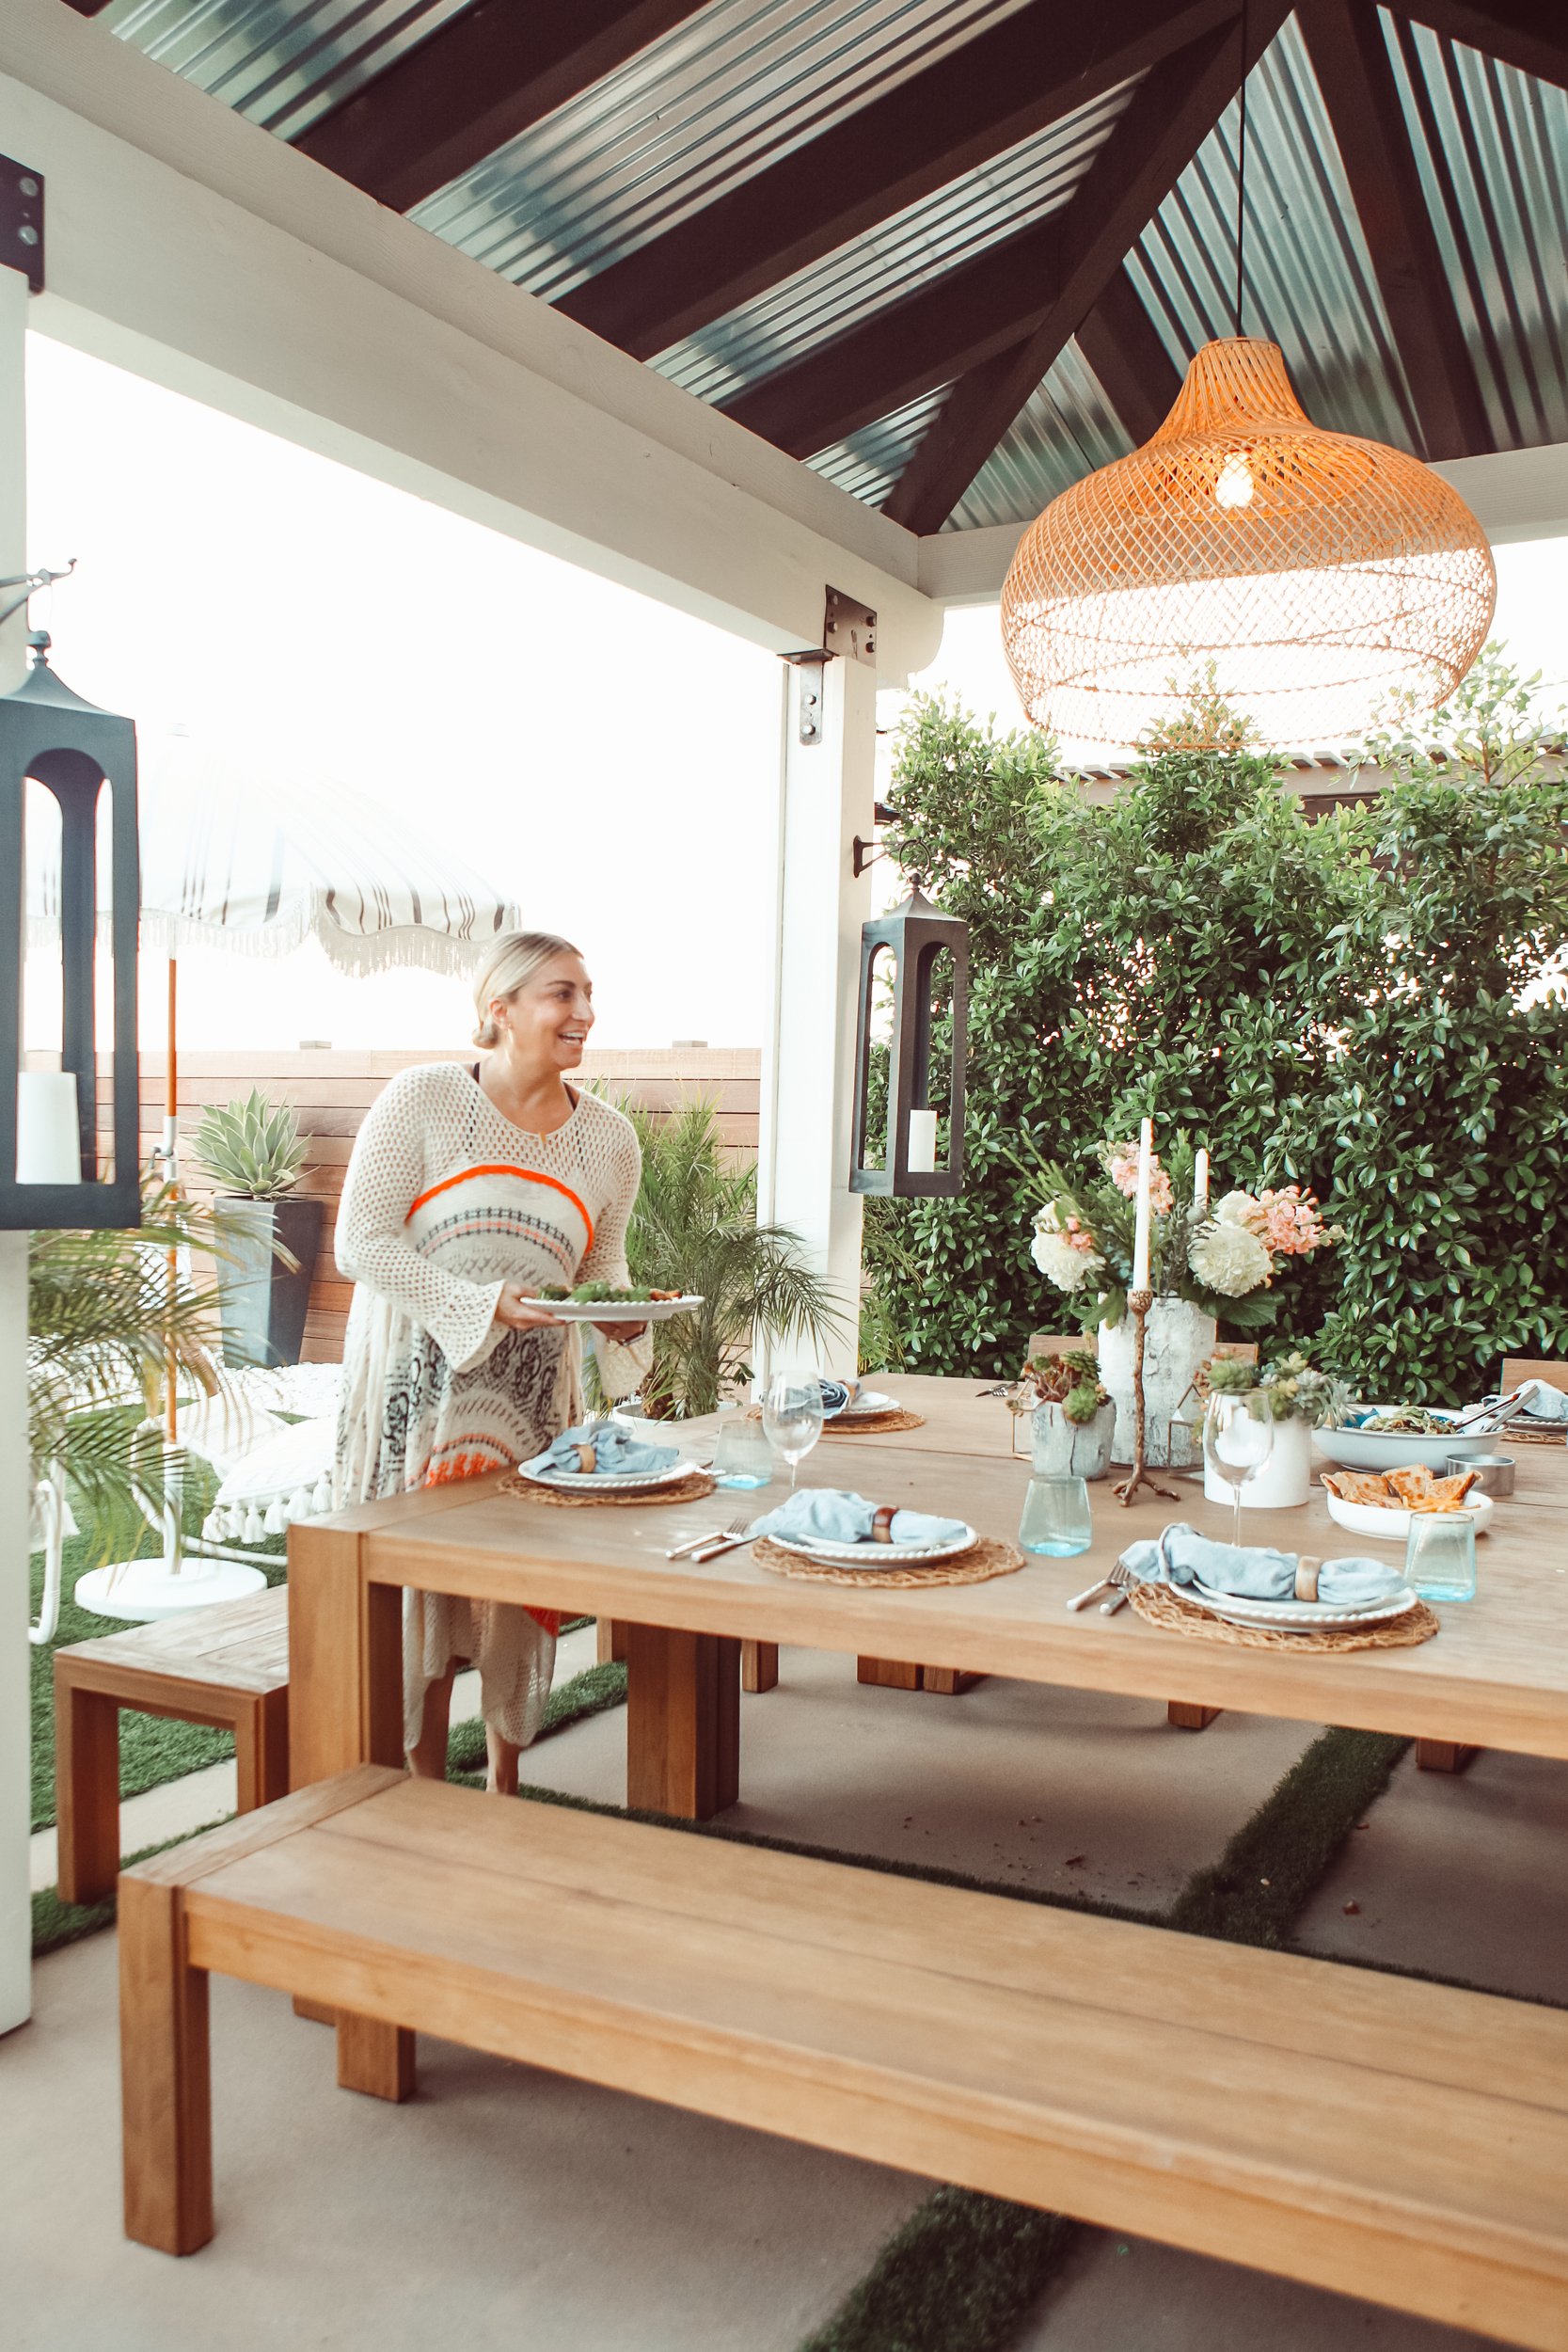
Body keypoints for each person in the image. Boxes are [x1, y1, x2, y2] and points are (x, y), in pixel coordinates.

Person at [333, 930, 650, 1794]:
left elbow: (602, 1272)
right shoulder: (424, 1099)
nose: (583, 1013)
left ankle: (506, 1792)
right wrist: (480, 1307)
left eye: (587, 993)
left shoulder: (610, 1140)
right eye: (561, 994)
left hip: (530, 1403)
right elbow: (357, 1242)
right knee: (416, 1598)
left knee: (516, 1595)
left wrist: (625, 1325)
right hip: (416, 1391)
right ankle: (419, 1791)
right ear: (498, 1008)